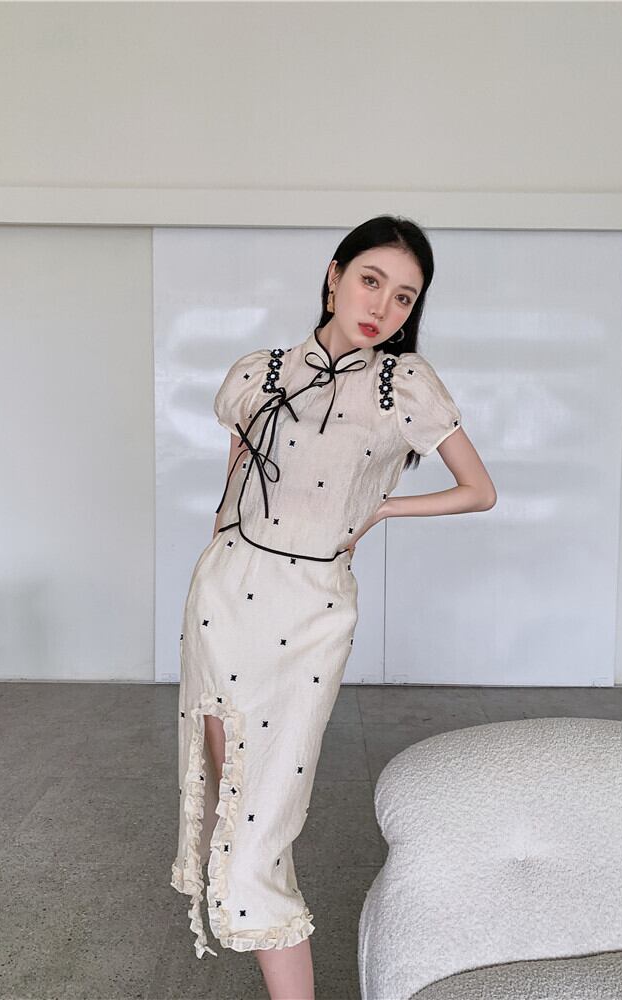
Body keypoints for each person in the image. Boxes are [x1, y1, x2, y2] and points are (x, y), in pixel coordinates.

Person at [171, 214, 497, 999]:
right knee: (230, 807)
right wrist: (216, 552)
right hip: (225, 600)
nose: (382, 305)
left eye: (403, 296)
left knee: (260, 829)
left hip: (313, 613)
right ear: (334, 276)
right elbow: (234, 481)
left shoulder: (404, 386)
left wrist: (383, 509)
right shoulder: (258, 373)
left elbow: (479, 490)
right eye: (370, 281)